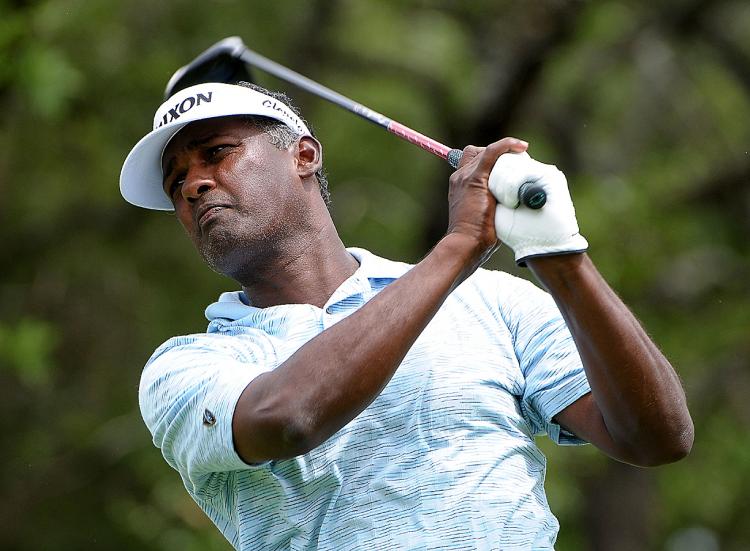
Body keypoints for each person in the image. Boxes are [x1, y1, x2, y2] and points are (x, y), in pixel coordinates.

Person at [120, 81, 693, 550]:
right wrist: (461, 244)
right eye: (176, 182)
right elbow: (289, 418)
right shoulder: (187, 367)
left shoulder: (492, 302)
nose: (193, 185)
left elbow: (656, 438)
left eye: (217, 154)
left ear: (303, 153)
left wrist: (562, 258)